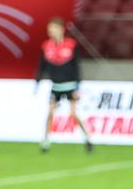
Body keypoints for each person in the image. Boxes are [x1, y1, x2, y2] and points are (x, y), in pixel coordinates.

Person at [34, 18, 92, 155]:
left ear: (61, 29)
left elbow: (76, 66)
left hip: (70, 85)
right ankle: (46, 141)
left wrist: (78, 86)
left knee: (73, 114)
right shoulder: (46, 46)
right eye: (49, 29)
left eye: (53, 28)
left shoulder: (71, 45)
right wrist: (37, 81)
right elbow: (42, 66)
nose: (51, 32)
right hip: (56, 86)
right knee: (50, 113)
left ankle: (87, 138)